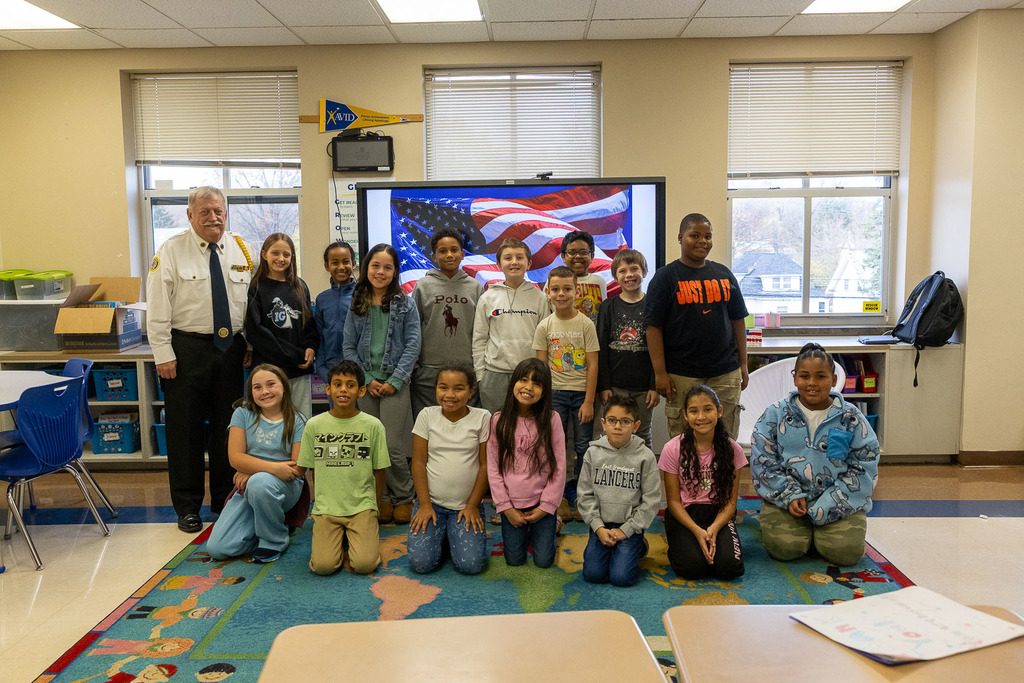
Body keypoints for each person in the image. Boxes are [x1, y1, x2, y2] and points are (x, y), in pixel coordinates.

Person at [146, 185, 252, 534]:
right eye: (204, 211)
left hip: (231, 351)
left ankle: (223, 501)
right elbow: (158, 309)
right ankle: (188, 507)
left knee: (229, 429)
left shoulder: (240, 248)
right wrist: (163, 353)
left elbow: (247, 304)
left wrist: (249, 344)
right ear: (190, 215)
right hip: (186, 351)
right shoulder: (171, 251)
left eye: (219, 210)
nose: (213, 217)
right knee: (185, 432)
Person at [750, 343, 880, 567]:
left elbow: (864, 466)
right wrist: (789, 495)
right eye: (804, 376)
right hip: (787, 501)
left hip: (838, 502)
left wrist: (829, 504)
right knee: (785, 549)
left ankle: (818, 532)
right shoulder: (775, 414)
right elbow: (763, 461)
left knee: (845, 554)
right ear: (794, 378)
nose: (811, 383)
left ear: (833, 379)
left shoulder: (851, 418)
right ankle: (805, 532)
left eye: (820, 376)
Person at [645, 212, 749, 439]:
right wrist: (660, 372)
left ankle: (722, 476)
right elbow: (653, 327)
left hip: (725, 371)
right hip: (682, 374)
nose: (703, 241)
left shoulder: (724, 274)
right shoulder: (665, 277)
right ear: (680, 237)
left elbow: (738, 319)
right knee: (684, 439)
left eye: (708, 236)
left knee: (725, 436)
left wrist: (743, 362)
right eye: (695, 235)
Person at [342, 243, 421, 525]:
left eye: (388, 267)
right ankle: (382, 498)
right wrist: (367, 379)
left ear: (395, 271)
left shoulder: (406, 303)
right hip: (365, 385)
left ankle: (404, 496)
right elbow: (348, 347)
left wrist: (395, 380)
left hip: (395, 384)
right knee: (371, 446)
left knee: (392, 445)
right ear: (366, 268)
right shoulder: (357, 302)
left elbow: (413, 344)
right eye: (375, 265)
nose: (381, 271)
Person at [206, 364, 306, 564]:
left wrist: (252, 470)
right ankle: (275, 523)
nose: (265, 392)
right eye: (257, 387)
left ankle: (273, 540)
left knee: (260, 483)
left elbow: (296, 469)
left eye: (271, 384)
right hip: (248, 485)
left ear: (284, 387)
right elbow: (235, 458)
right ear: (250, 392)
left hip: (285, 489)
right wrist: (272, 468)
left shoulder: (298, 420)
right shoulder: (242, 414)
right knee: (217, 549)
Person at [298, 360, 390, 575]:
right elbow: (309, 470)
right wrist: (319, 504)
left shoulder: (373, 425)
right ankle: (341, 538)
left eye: (350, 385)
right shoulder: (314, 425)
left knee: (364, 565)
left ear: (361, 391)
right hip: (327, 508)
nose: (343, 390)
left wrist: (373, 508)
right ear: (328, 389)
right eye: (337, 384)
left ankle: (356, 536)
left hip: (361, 507)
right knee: (323, 567)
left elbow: (379, 471)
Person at [407, 362, 491, 575]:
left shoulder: (482, 417)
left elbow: (485, 465)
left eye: (459, 388)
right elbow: (418, 462)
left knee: (470, 565)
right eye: (443, 387)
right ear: (435, 389)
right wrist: (424, 504)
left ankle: (451, 534)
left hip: (465, 507)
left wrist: (472, 505)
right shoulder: (427, 415)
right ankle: (444, 536)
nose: (450, 394)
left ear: (471, 391)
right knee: (421, 564)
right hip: (432, 504)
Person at [659, 385, 746, 580]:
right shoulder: (672, 448)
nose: (701, 417)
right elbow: (672, 502)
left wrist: (714, 529)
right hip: (686, 514)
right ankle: (682, 543)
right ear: (685, 415)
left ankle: (719, 543)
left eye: (708, 409)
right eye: (693, 411)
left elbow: (731, 503)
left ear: (719, 411)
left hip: (719, 514)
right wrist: (698, 532)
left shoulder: (733, 450)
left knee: (730, 569)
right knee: (692, 569)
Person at [486, 358, 566, 568]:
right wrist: (506, 508)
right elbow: (493, 469)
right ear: (514, 382)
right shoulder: (498, 420)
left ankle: (553, 523)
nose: (528, 387)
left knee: (543, 561)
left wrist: (547, 507)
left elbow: (558, 468)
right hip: (511, 505)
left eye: (537, 383)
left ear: (544, 391)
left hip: (542, 504)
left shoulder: (552, 419)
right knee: (514, 560)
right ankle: (529, 530)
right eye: (523, 380)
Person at [534, 265, 599, 520]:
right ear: (548, 292)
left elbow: (593, 364)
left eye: (567, 289)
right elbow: (540, 368)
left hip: (582, 395)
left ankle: (583, 498)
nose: (562, 294)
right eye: (556, 289)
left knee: (583, 446)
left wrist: (590, 401)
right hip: (555, 395)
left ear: (576, 290)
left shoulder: (586, 324)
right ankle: (557, 496)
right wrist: (543, 401)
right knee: (555, 446)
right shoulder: (545, 326)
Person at [577, 393, 660, 587]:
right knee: (593, 575)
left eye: (625, 421)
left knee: (621, 578)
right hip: (601, 526)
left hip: (630, 527)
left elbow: (652, 499)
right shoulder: (593, 453)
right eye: (612, 420)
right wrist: (597, 527)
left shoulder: (645, 457)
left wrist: (628, 530)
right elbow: (584, 494)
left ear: (636, 426)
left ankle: (638, 546)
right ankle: (605, 547)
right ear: (603, 423)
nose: (618, 426)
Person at [244, 233, 319, 418]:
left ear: (292, 257)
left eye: (286, 254)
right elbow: (256, 333)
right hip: (269, 371)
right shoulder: (256, 288)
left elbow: (309, 323)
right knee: (271, 422)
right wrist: (294, 355)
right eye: (275, 253)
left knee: (301, 420)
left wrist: (311, 347)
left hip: (299, 370)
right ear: (264, 255)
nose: (281, 258)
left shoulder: (300, 286)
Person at [411, 228, 483, 417]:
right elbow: (413, 328)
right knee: (428, 424)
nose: (449, 255)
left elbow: (482, 330)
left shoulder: (475, 287)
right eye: (443, 251)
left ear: (463, 254)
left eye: (454, 250)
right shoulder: (422, 286)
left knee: (465, 425)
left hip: (467, 370)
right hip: (429, 372)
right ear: (434, 256)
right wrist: (418, 366)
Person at [471, 238, 548, 413]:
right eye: (508, 258)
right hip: (494, 375)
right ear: (498, 264)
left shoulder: (540, 298)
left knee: (527, 425)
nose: (514, 262)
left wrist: (541, 375)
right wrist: (481, 377)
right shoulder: (488, 297)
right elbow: (479, 339)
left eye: (519, 257)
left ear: (529, 263)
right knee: (495, 427)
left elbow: (545, 340)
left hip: (530, 376)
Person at [596, 248, 659, 449]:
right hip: (615, 386)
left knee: (641, 435)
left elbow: (659, 350)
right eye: (622, 271)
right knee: (614, 435)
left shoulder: (653, 305)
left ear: (644, 272)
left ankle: (643, 479)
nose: (629, 275)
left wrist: (654, 386)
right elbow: (602, 349)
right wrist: (604, 386)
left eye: (634, 269)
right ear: (615, 276)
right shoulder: (608, 306)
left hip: (644, 388)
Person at [314, 240, 356, 389]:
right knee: (336, 412)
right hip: (331, 372)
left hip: (358, 373)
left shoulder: (363, 296)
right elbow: (320, 337)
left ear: (354, 263)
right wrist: (322, 368)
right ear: (327, 266)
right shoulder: (322, 299)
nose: (341, 267)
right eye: (334, 262)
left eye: (346, 262)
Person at [560, 230, 606, 324]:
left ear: (592, 256)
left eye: (583, 252)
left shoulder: (599, 282)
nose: (577, 256)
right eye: (572, 252)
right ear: (563, 257)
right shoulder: (554, 282)